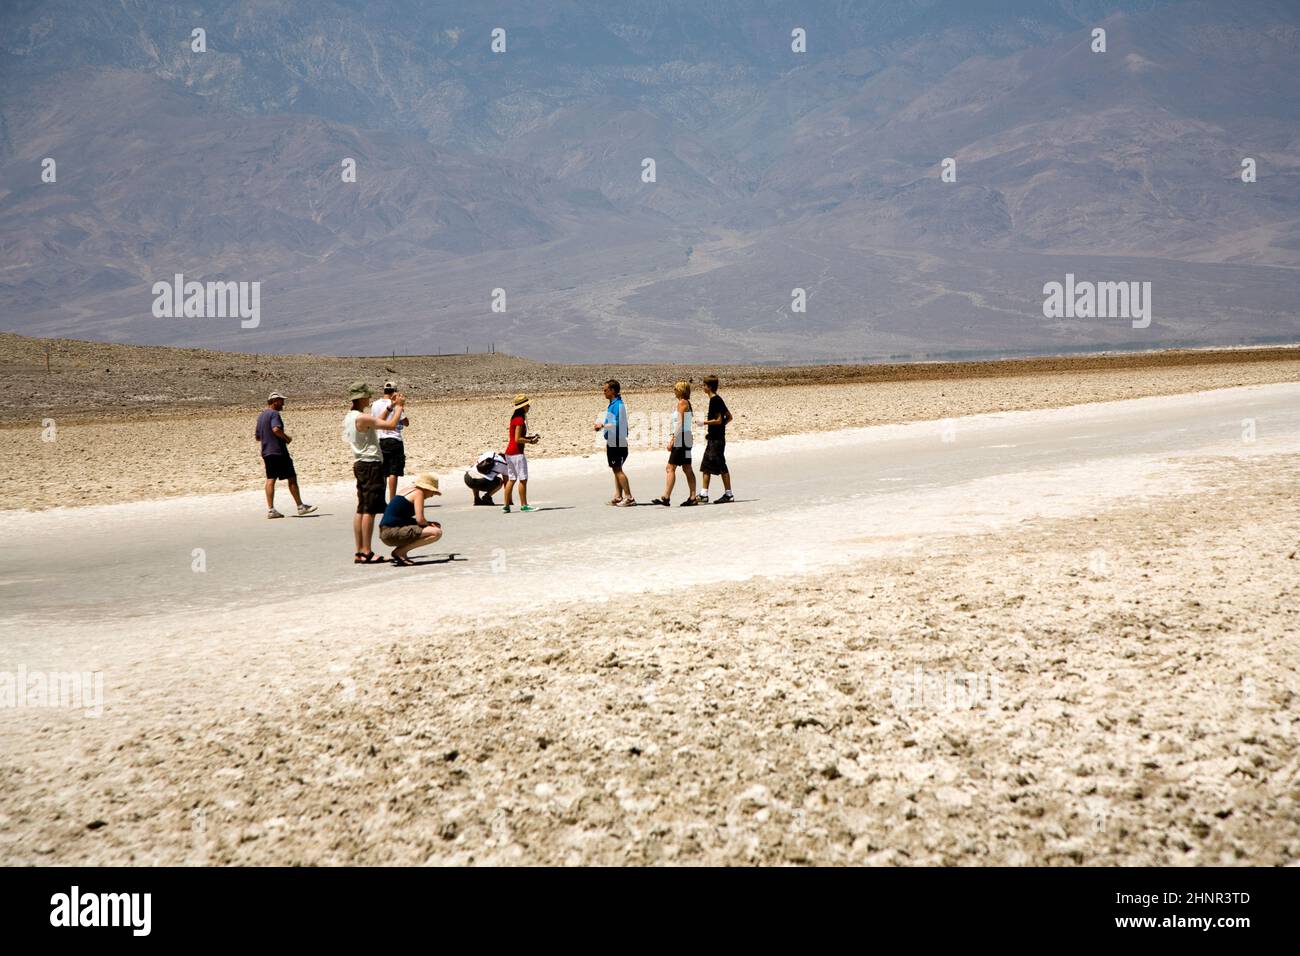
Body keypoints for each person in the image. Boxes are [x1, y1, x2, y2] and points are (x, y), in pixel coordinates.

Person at [342, 382, 407, 563]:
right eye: (367, 396)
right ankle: (366, 551)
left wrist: (391, 406)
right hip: (370, 465)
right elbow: (390, 425)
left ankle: (359, 550)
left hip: (361, 464)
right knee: (369, 510)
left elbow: (378, 422)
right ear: (361, 397)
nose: (369, 398)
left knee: (362, 508)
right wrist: (400, 407)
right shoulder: (362, 418)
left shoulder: (352, 416)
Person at [253, 392, 316, 518]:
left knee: (270, 479)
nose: (283, 403)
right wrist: (286, 438)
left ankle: (271, 510)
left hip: (266, 452)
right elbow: (276, 429)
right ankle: (300, 506)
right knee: (291, 477)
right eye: (281, 401)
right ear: (275, 401)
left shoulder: (261, 416)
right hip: (278, 451)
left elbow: (258, 437)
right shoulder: (274, 414)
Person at [379, 473, 443, 566]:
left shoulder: (407, 491)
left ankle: (401, 551)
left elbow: (401, 518)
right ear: (426, 488)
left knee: (431, 529)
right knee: (436, 532)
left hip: (386, 532)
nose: (432, 495)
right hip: (391, 533)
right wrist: (429, 525)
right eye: (433, 492)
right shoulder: (419, 493)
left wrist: (429, 523)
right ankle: (400, 552)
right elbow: (420, 520)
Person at [652, 381, 697, 506]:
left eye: (675, 388)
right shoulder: (687, 403)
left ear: (681, 390)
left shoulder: (682, 403)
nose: (674, 390)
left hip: (682, 439)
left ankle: (666, 497)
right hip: (687, 437)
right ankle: (692, 497)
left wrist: (673, 439)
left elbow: (680, 423)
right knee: (687, 467)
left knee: (670, 468)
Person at [595, 379, 635, 506]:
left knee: (617, 469)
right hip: (614, 441)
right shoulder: (614, 404)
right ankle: (618, 496)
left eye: (605, 390)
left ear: (612, 391)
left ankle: (629, 497)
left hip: (617, 441)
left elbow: (617, 424)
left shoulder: (618, 405)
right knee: (616, 468)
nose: (603, 392)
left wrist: (602, 425)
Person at [370, 381, 410, 503]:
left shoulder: (375, 404)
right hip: (394, 438)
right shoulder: (395, 404)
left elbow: (375, 419)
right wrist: (401, 406)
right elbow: (405, 422)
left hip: (380, 439)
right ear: (395, 391)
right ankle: (392, 499)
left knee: (383, 471)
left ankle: (382, 498)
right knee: (394, 471)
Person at [697, 375, 734, 504]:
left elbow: (719, 420)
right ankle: (704, 494)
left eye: (704, 385)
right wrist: (720, 428)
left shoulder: (715, 400)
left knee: (721, 465)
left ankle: (729, 494)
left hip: (716, 440)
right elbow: (729, 417)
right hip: (714, 438)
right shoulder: (718, 399)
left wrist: (704, 423)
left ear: (709, 387)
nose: (703, 387)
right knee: (706, 466)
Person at [502, 394, 539, 513]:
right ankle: (524, 505)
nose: (529, 406)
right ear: (523, 407)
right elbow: (518, 439)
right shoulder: (519, 420)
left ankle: (506, 506)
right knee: (523, 479)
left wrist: (530, 438)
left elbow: (516, 437)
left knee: (511, 479)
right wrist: (530, 441)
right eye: (527, 405)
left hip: (509, 452)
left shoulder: (515, 418)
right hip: (517, 453)